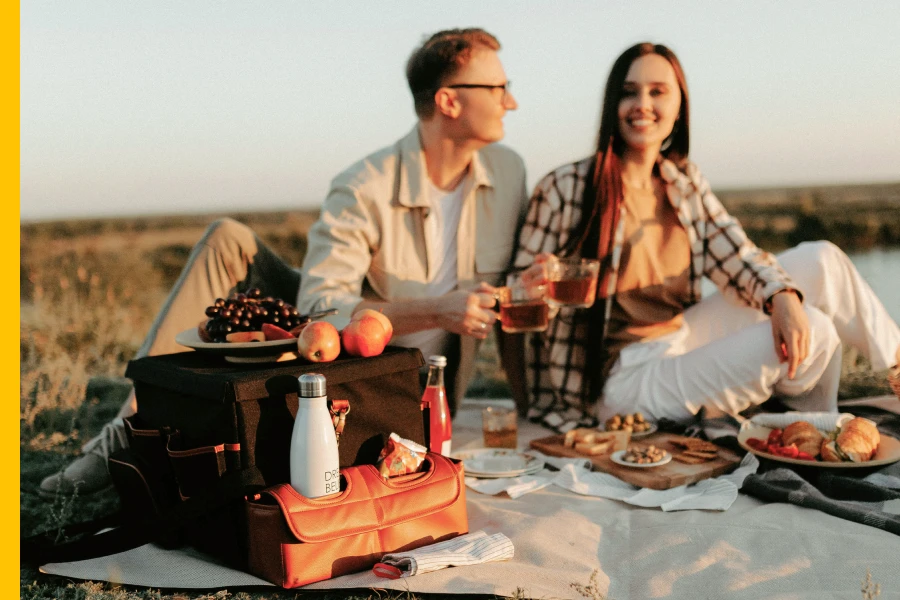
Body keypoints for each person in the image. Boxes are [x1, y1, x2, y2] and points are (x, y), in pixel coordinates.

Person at [39, 27, 526, 497]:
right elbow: (322, 307)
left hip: (411, 386)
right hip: (343, 363)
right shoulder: (364, 184)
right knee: (228, 239)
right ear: (449, 100)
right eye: (500, 87)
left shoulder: (509, 172)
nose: (511, 101)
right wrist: (440, 309)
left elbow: (513, 290)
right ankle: (128, 430)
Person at [511, 42, 900, 432]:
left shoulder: (683, 183)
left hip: (681, 337)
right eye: (629, 92)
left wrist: (781, 297)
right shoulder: (566, 188)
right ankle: (810, 426)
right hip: (621, 380)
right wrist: (536, 291)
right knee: (815, 328)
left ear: (680, 106)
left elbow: (738, 256)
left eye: (658, 92)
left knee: (821, 260)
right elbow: (514, 301)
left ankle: (897, 370)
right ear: (613, 103)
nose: (642, 104)